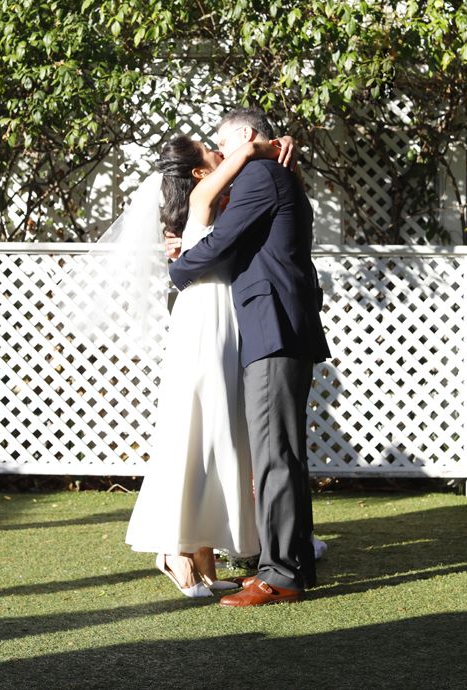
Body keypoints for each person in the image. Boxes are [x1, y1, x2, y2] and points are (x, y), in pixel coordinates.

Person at [169, 107, 331, 607]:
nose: (224, 155)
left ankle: (281, 575)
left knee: (275, 455)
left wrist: (178, 268)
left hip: (273, 327)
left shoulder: (261, 174)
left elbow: (221, 242)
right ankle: (293, 561)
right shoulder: (274, 172)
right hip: (280, 325)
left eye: (226, 143)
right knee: (282, 453)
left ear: (245, 136)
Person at [124, 130, 295, 597]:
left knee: (221, 431)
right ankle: (173, 548)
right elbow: (239, 158)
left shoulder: (219, 208)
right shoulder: (203, 197)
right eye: (211, 151)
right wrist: (261, 145)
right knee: (195, 428)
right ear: (201, 172)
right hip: (202, 322)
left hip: (227, 323)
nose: (220, 152)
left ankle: (202, 548)